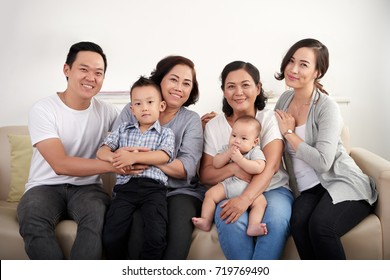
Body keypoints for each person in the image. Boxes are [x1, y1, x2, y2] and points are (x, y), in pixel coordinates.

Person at [274, 38, 378, 260]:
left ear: (317, 72)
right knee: (299, 223)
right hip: (310, 189)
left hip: (343, 182)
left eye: (303, 64)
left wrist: (290, 134)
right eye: (291, 61)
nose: (293, 69)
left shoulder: (326, 107)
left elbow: (323, 162)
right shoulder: (284, 100)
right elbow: (266, 134)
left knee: (321, 227)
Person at [17, 41, 120, 259]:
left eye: (98, 73)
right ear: (67, 70)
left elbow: (140, 127)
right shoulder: (44, 109)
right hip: (43, 187)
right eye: (83, 69)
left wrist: (198, 124)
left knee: (97, 217)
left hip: (88, 189)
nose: (91, 78)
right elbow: (60, 164)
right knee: (32, 217)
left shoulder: (107, 111)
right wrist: (113, 165)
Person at [113, 56, 205, 259]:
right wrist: (153, 158)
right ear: (160, 80)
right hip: (136, 187)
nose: (179, 87)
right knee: (137, 229)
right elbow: (116, 154)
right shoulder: (133, 110)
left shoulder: (190, 120)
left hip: (180, 191)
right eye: (173, 79)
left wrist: (141, 157)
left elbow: (184, 169)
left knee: (177, 234)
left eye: (186, 83)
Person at [200, 61, 294, 260]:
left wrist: (245, 200)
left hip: (273, 188)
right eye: (231, 86)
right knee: (229, 219)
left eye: (245, 85)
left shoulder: (268, 119)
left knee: (275, 221)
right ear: (223, 91)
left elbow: (271, 167)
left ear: (258, 88)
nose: (238, 92)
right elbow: (207, 174)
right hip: (232, 188)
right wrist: (234, 169)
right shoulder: (214, 126)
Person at [97, 76, 175, 259]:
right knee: (111, 235)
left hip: (154, 189)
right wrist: (115, 157)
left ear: (161, 106)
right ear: (132, 109)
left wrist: (133, 157)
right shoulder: (123, 129)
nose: (145, 107)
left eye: (150, 102)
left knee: (156, 235)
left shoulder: (166, 133)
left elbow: (164, 155)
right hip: (125, 189)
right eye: (138, 104)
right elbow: (102, 151)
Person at [193, 116, 268, 236]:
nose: (237, 141)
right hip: (227, 185)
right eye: (234, 135)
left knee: (261, 202)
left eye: (244, 138)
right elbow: (216, 164)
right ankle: (206, 220)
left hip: (247, 188)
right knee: (210, 195)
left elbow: (259, 167)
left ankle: (253, 225)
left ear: (254, 142)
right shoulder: (227, 149)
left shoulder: (255, 152)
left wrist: (240, 160)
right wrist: (227, 154)